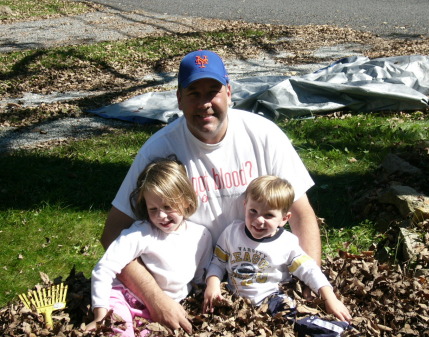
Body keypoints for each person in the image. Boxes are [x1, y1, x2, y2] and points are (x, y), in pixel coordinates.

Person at [101, 49, 321, 333]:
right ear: (179, 100)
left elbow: (301, 214)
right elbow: (112, 234)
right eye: (193, 93)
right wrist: (156, 299)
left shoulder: (264, 136)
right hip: (189, 292)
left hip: (264, 281)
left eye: (213, 91)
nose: (204, 103)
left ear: (229, 92)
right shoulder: (159, 150)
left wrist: (309, 280)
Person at [202, 175, 351, 331]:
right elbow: (218, 262)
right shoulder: (231, 233)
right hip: (235, 298)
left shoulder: (286, 243)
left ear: (284, 219)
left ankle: (337, 330)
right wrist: (213, 283)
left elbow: (309, 269)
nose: (259, 220)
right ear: (245, 206)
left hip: (272, 297)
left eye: (269, 215)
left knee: (290, 316)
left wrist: (330, 298)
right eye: (253, 211)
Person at [86, 159, 213, 336]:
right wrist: (100, 315)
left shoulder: (202, 236)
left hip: (158, 310)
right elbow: (103, 268)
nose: (161, 216)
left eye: (168, 207)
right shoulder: (141, 233)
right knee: (121, 331)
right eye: (153, 209)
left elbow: (199, 278)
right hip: (124, 297)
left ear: (186, 200)